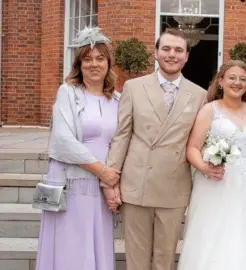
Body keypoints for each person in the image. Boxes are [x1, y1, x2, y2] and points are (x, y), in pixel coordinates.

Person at [106, 28, 208, 270]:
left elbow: (199, 143)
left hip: (174, 187)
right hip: (137, 184)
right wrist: (110, 181)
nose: (172, 54)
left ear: (186, 57)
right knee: (136, 258)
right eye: (166, 49)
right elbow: (122, 136)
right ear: (156, 53)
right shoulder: (134, 87)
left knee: (164, 258)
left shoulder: (199, 95)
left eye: (178, 50)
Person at [177, 60, 246, 270]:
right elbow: (193, 148)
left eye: (243, 79)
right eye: (232, 78)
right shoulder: (209, 110)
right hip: (215, 181)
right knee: (214, 233)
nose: (237, 83)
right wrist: (205, 167)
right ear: (221, 81)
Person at [35, 26, 120, 270]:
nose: (94, 64)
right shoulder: (68, 93)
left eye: (100, 59)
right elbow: (62, 141)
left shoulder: (118, 99)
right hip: (72, 183)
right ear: (79, 64)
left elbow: (121, 142)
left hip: (102, 188)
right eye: (87, 59)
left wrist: (111, 181)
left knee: (97, 244)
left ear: (108, 63)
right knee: (71, 248)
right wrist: (100, 170)